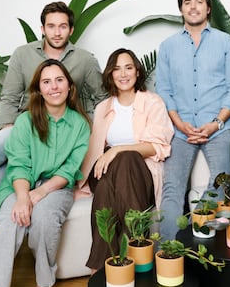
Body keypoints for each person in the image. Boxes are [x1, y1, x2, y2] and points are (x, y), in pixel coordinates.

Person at [0, 1, 106, 230]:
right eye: (51, 26)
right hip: (27, 126)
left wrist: (91, 127)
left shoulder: (85, 59)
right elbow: (10, 95)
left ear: (71, 30)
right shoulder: (23, 54)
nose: (57, 32)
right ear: (43, 29)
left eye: (63, 26)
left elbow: (100, 97)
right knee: (3, 139)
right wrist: (8, 128)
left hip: (63, 130)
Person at [0, 59, 91, 287]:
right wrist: (24, 197)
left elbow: (69, 170)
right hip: (20, 183)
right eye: (46, 82)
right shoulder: (25, 121)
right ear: (39, 89)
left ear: (69, 86)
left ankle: (45, 284)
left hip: (57, 186)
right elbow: (18, 164)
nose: (54, 87)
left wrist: (42, 192)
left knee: (45, 219)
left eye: (59, 80)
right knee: (11, 218)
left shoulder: (81, 125)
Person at [155, 0, 230, 241]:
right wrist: (179, 123)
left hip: (219, 128)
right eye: (187, 2)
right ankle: (167, 251)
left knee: (223, 182)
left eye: (199, 1)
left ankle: (195, 234)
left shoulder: (226, 43)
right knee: (172, 189)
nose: (193, 6)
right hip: (180, 129)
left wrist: (216, 123)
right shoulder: (168, 46)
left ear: (208, 8)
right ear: (181, 10)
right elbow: (164, 88)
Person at [74, 48, 174, 272]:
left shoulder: (152, 102)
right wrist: (109, 154)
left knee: (125, 162)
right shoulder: (103, 108)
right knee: (115, 170)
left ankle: (100, 268)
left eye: (128, 67)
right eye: (116, 69)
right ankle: (137, 252)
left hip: (140, 174)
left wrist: (117, 150)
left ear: (137, 72)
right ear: (110, 75)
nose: (123, 74)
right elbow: (95, 151)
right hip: (104, 171)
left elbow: (156, 146)